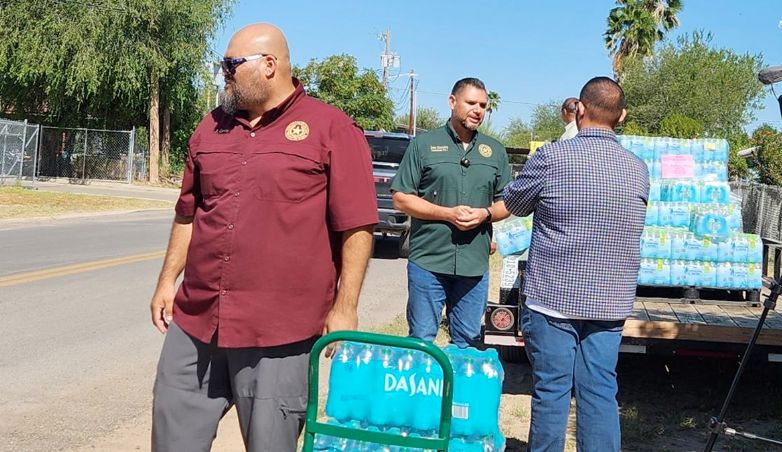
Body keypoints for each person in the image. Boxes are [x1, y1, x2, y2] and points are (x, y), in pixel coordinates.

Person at [148, 23, 377, 452]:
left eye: (231, 65)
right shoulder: (210, 126)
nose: (224, 75)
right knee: (171, 438)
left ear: (269, 65)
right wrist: (166, 281)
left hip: (280, 332)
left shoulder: (330, 128)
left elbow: (357, 226)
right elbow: (189, 213)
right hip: (198, 321)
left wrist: (345, 307)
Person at [503, 77, 649, 452]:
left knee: (552, 390)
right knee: (600, 390)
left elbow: (515, 204)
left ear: (579, 110)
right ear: (623, 116)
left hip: (553, 298)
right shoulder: (637, 169)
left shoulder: (551, 157)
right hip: (609, 303)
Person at [390, 77, 512, 348]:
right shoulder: (423, 145)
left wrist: (485, 214)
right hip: (429, 261)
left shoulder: (494, 151)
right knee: (421, 340)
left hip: (474, 264)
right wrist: (446, 214)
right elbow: (401, 198)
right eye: (471, 103)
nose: (477, 110)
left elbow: (508, 202)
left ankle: (457, 391)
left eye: (482, 105)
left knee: (467, 341)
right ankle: (422, 390)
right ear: (452, 102)